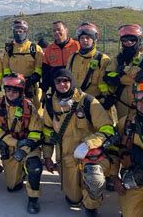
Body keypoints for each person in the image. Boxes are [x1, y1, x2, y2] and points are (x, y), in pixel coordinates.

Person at [42, 69, 116, 217]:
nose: (63, 84)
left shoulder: (88, 101)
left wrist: (89, 144)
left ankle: (91, 207)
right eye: (59, 81)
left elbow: (107, 128)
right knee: (73, 199)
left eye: (66, 81)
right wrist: (47, 157)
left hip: (89, 155)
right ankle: (78, 196)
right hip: (66, 156)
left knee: (93, 179)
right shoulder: (50, 104)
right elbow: (48, 132)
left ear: (72, 82)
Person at [0, 73, 43, 213]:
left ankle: (33, 199)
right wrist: (12, 143)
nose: (11, 93)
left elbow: (36, 133)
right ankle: (12, 172)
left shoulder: (29, 107)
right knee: (12, 187)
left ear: (21, 91)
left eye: (15, 90)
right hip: (9, 144)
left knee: (34, 166)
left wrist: (24, 149)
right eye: (8, 89)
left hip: (27, 144)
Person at [110, 79, 143, 217]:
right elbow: (115, 152)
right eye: (142, 102)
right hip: (135, 179)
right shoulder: (126, 123)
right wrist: (114, 177)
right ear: (135, 101)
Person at [67, 23, 115, 123]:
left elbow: (105, 85)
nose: (85, 40)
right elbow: (67, 79)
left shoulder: (103, 60)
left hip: (95, 105)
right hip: (74, 104)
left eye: (88, 37)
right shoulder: (72, 58)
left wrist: (105, 99)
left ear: (94, 39)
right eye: (82, 37)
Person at [104, 24, 143, 119]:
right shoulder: (117, 59)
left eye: (132, 39)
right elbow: (108, 76)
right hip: (121, 105)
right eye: (124, 40)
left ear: (139, 40)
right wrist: (123, 77)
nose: (128, 42)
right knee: (122, 129)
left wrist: (120, 75)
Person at [2, 20, 44, 109]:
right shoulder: (9, 49)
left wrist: (32, 79)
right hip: (14, 86)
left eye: (21, 31)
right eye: (16, 31)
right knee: (12, 108)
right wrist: (9, 79)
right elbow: (5, 67)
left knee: (34, 109)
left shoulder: (34, 48)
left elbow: (39, 67)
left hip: (30, 86)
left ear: (26, 31)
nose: (18, 33)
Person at [41, 21, 80, 96]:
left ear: (66, 30)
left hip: (75, 89)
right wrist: (44, 91)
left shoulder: (77, 46)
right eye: (54, 30)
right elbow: (45, 72)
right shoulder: (49, 49)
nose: (56, 32)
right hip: (56, 89)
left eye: (59, 29)